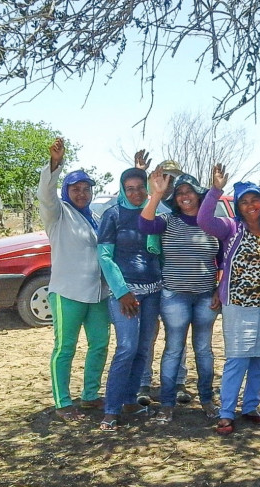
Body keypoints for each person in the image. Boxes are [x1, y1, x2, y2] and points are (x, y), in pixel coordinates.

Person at [198, 164, 260, 436]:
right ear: (238, 207)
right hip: (238, 306)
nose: (251, 206)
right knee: (237, 359)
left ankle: (251, 406)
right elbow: (204, 220)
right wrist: (216, 190)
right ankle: (227, 412)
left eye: (255, 200)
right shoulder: (230, 228)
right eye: (244, 202)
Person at [139, 168, 222, 424]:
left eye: (190, 192)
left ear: (198, 195)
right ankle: (166, 404)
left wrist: (220, 289)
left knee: (204, 350)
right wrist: (156, 194)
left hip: (206, 296)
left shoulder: (211, 224)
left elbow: (222, 261)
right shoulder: (167, 221)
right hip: (175, 296)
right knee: (174, 349)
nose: (185, 196)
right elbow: (144, 224)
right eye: (180, 193)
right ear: (175, 199)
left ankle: (207, 400)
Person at [39, 138, 110, 422]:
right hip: (68, 293)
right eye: (75, 189)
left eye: (86, 189)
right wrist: (55, 165)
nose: (81, 193)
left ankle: (90, 396)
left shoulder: (94, 217)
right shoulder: (57, 214)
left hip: (97, 294)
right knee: (65, 348)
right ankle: (63, 401)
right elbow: (46, 194)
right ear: (66, 191)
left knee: (100, 344)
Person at [97, 165, 163, 432]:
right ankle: (111, 409)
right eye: (130, 189)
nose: (136, 193)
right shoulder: (113, 215)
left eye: (140, 187)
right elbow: (104, 256)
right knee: (126, 348)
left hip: (153, 291)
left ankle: (130, 401)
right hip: (125, 293)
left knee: (143, 348)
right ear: (123, 191)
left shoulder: (155, 213)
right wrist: (122, 291)